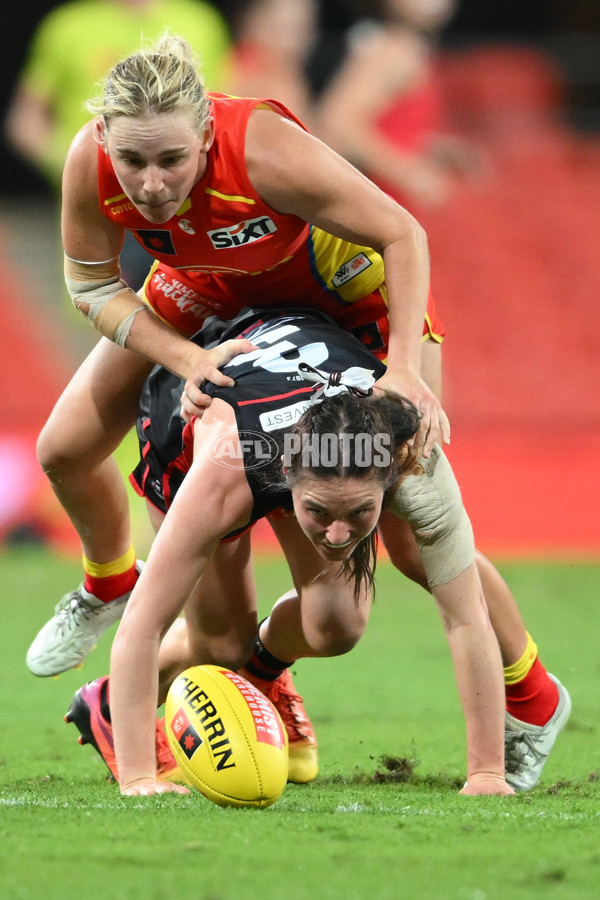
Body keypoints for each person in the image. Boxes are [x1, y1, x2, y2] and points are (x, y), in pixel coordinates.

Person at [25, 35, 569, 791]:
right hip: (216, 294)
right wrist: (187, 361)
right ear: (106, 141)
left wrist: (405, 369)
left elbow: (403, 233)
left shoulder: (262, 148)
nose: (150, 185)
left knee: (412, 536)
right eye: (133, 162)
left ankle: (532, 696)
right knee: (64, 447)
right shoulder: (92, 163)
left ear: (207, 136)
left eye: (171, 162)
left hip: (351, 301)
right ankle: (113, 582)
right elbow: (91, 285)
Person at [67, 307, 514, 797]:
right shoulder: (225, 469)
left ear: (389, 480)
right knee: (220, 646)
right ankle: (111, 706)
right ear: (286, 477)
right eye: (319, 513)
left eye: (361, 512)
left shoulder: (414, 460)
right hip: (194, 422)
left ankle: (262, 671)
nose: (340, 535)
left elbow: (468, 617)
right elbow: (142, 624)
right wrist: (138, 779)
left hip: (304, 403)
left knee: (337, 624)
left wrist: (488, 774)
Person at [4, 0, 232, 289]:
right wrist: (80, 169)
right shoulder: (68, 26)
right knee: (108, 307)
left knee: (203, 311)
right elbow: (26, 122)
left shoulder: (200, 21)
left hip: (193, 210)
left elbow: (224, 107)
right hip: (106, 215)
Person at [314, 0, 483, 211]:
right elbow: (338, 121)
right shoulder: (393, 52)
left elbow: (393, 127)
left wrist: (432, 147)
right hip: (389, 205)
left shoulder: (412, 50)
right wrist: (408, 173)